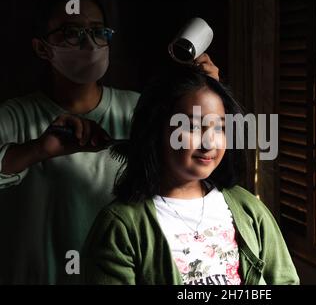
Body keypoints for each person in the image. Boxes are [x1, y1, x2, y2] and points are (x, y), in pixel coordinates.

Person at [0, 0, 219, 284]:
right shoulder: (14, 116)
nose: (88, 43)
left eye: (98, 32)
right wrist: (38, 149)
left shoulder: (139, 109)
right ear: (42, 48)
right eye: (71, 33)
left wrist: (207, 97)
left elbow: (190, 168)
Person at [82, 66, 299, 285]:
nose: (209, 143)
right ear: (155, 130)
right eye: (193, 127)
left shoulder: (249, 210)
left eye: (219, 128)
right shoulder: (120, 226)